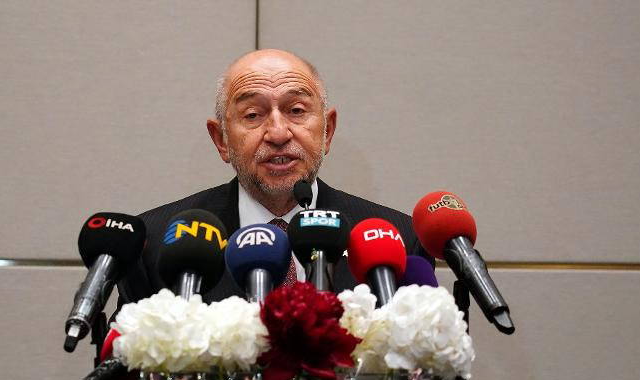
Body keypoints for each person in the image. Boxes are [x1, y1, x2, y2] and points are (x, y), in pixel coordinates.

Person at [116, 49, 433, 305]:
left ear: (327, 131)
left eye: (296, 110)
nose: (279, 133)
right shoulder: (155, 243)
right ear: (221, 140)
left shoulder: (400, 241)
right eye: (253, 115)